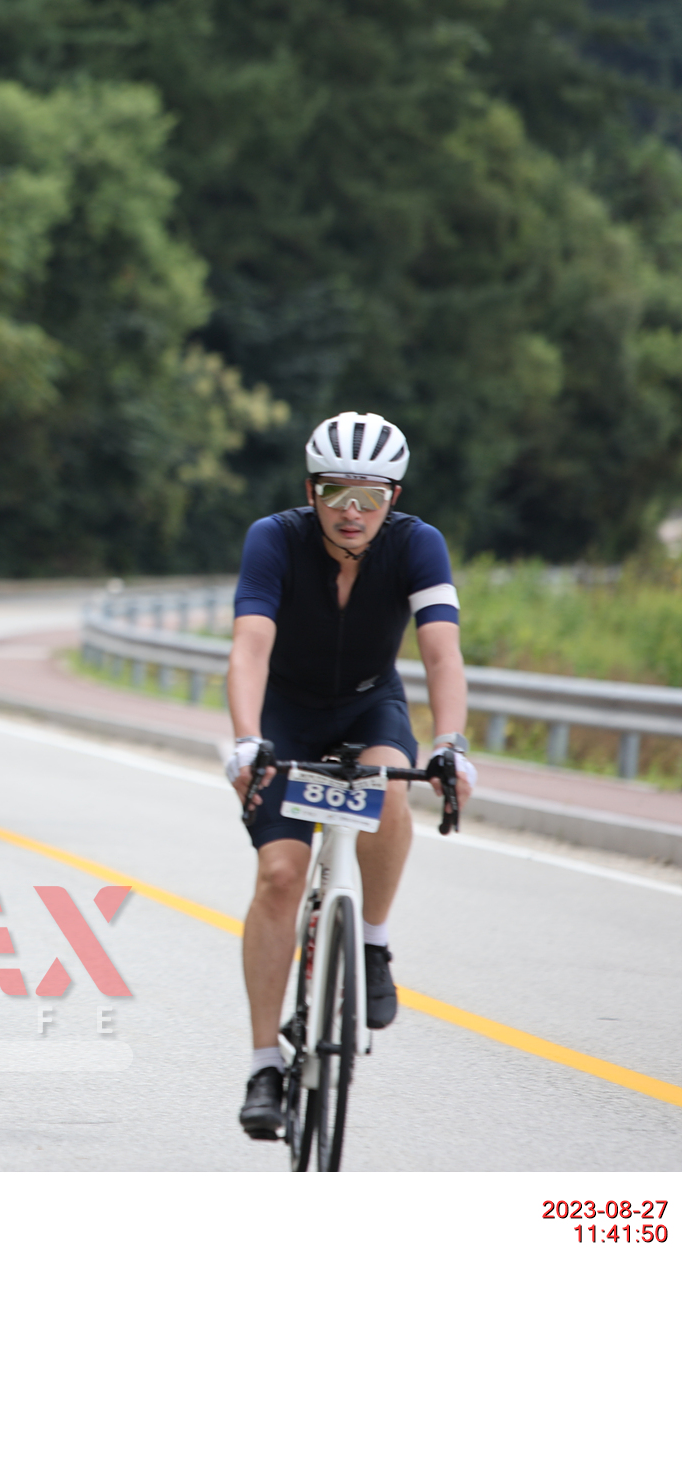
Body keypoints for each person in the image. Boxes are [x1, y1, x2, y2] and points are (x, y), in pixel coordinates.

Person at [226, 411, 476, 1141]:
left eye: (371, 495)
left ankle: (372, 942)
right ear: (311, 491)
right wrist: (247, 741)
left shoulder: (418, 544)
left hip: (370, 706)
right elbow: (249, 648)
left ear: (394, 497)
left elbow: (441, 654)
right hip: (286, 714)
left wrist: (452, 743)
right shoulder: (274, 538)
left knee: (389, 784)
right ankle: (263, 1065)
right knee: (280, 876)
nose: (353, 511)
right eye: (337, 492)